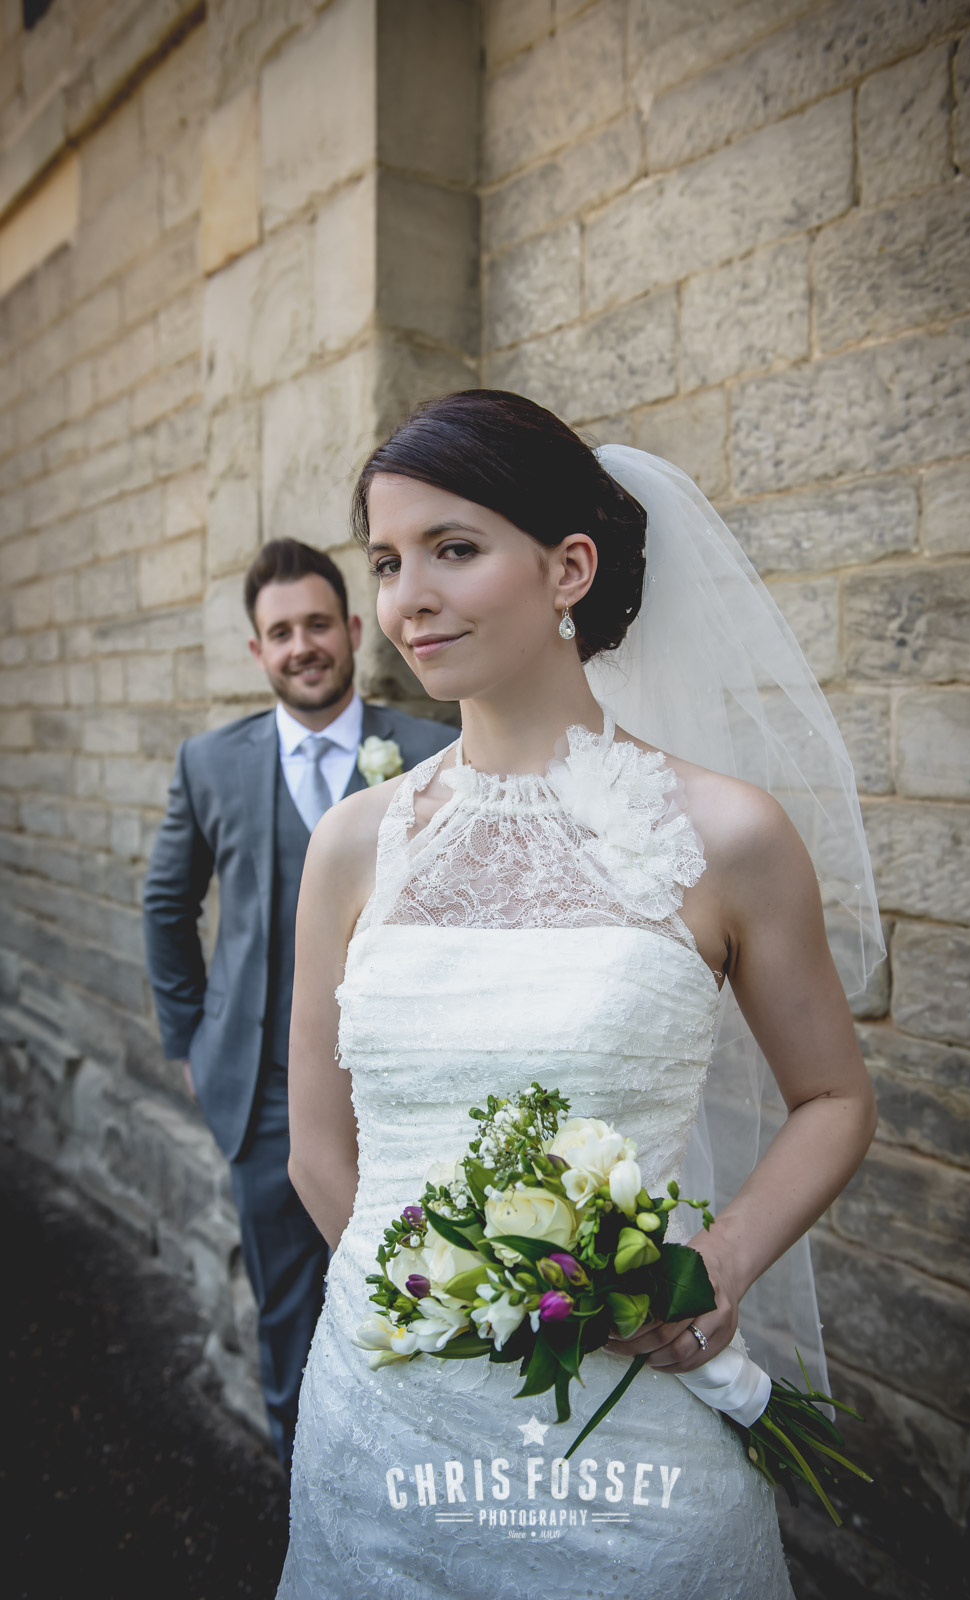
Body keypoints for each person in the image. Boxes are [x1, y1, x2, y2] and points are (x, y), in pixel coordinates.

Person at [275, 392, 882, 1597]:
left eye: (453, 548)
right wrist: (443, 1310)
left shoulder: (728, 833)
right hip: (385, 1428)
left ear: (569, 568)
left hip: (629, 1424)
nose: (408, 598)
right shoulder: (351, 845)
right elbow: (316, 1150)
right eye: (387, 562)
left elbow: (834, 1098)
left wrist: (717, 1264)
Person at [141, 538, 455, 1477]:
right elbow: (166, 906)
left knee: (425, 1289)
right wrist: (189, 1042)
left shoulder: (432, 752)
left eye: (318, 624)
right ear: (258, 650)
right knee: (287, 1308)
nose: (302, 645)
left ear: (353, 630)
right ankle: (302, 1485)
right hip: (263, 1093)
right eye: (281, 633)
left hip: (402, 1091)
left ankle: (413, 1483)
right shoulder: (210, 762)